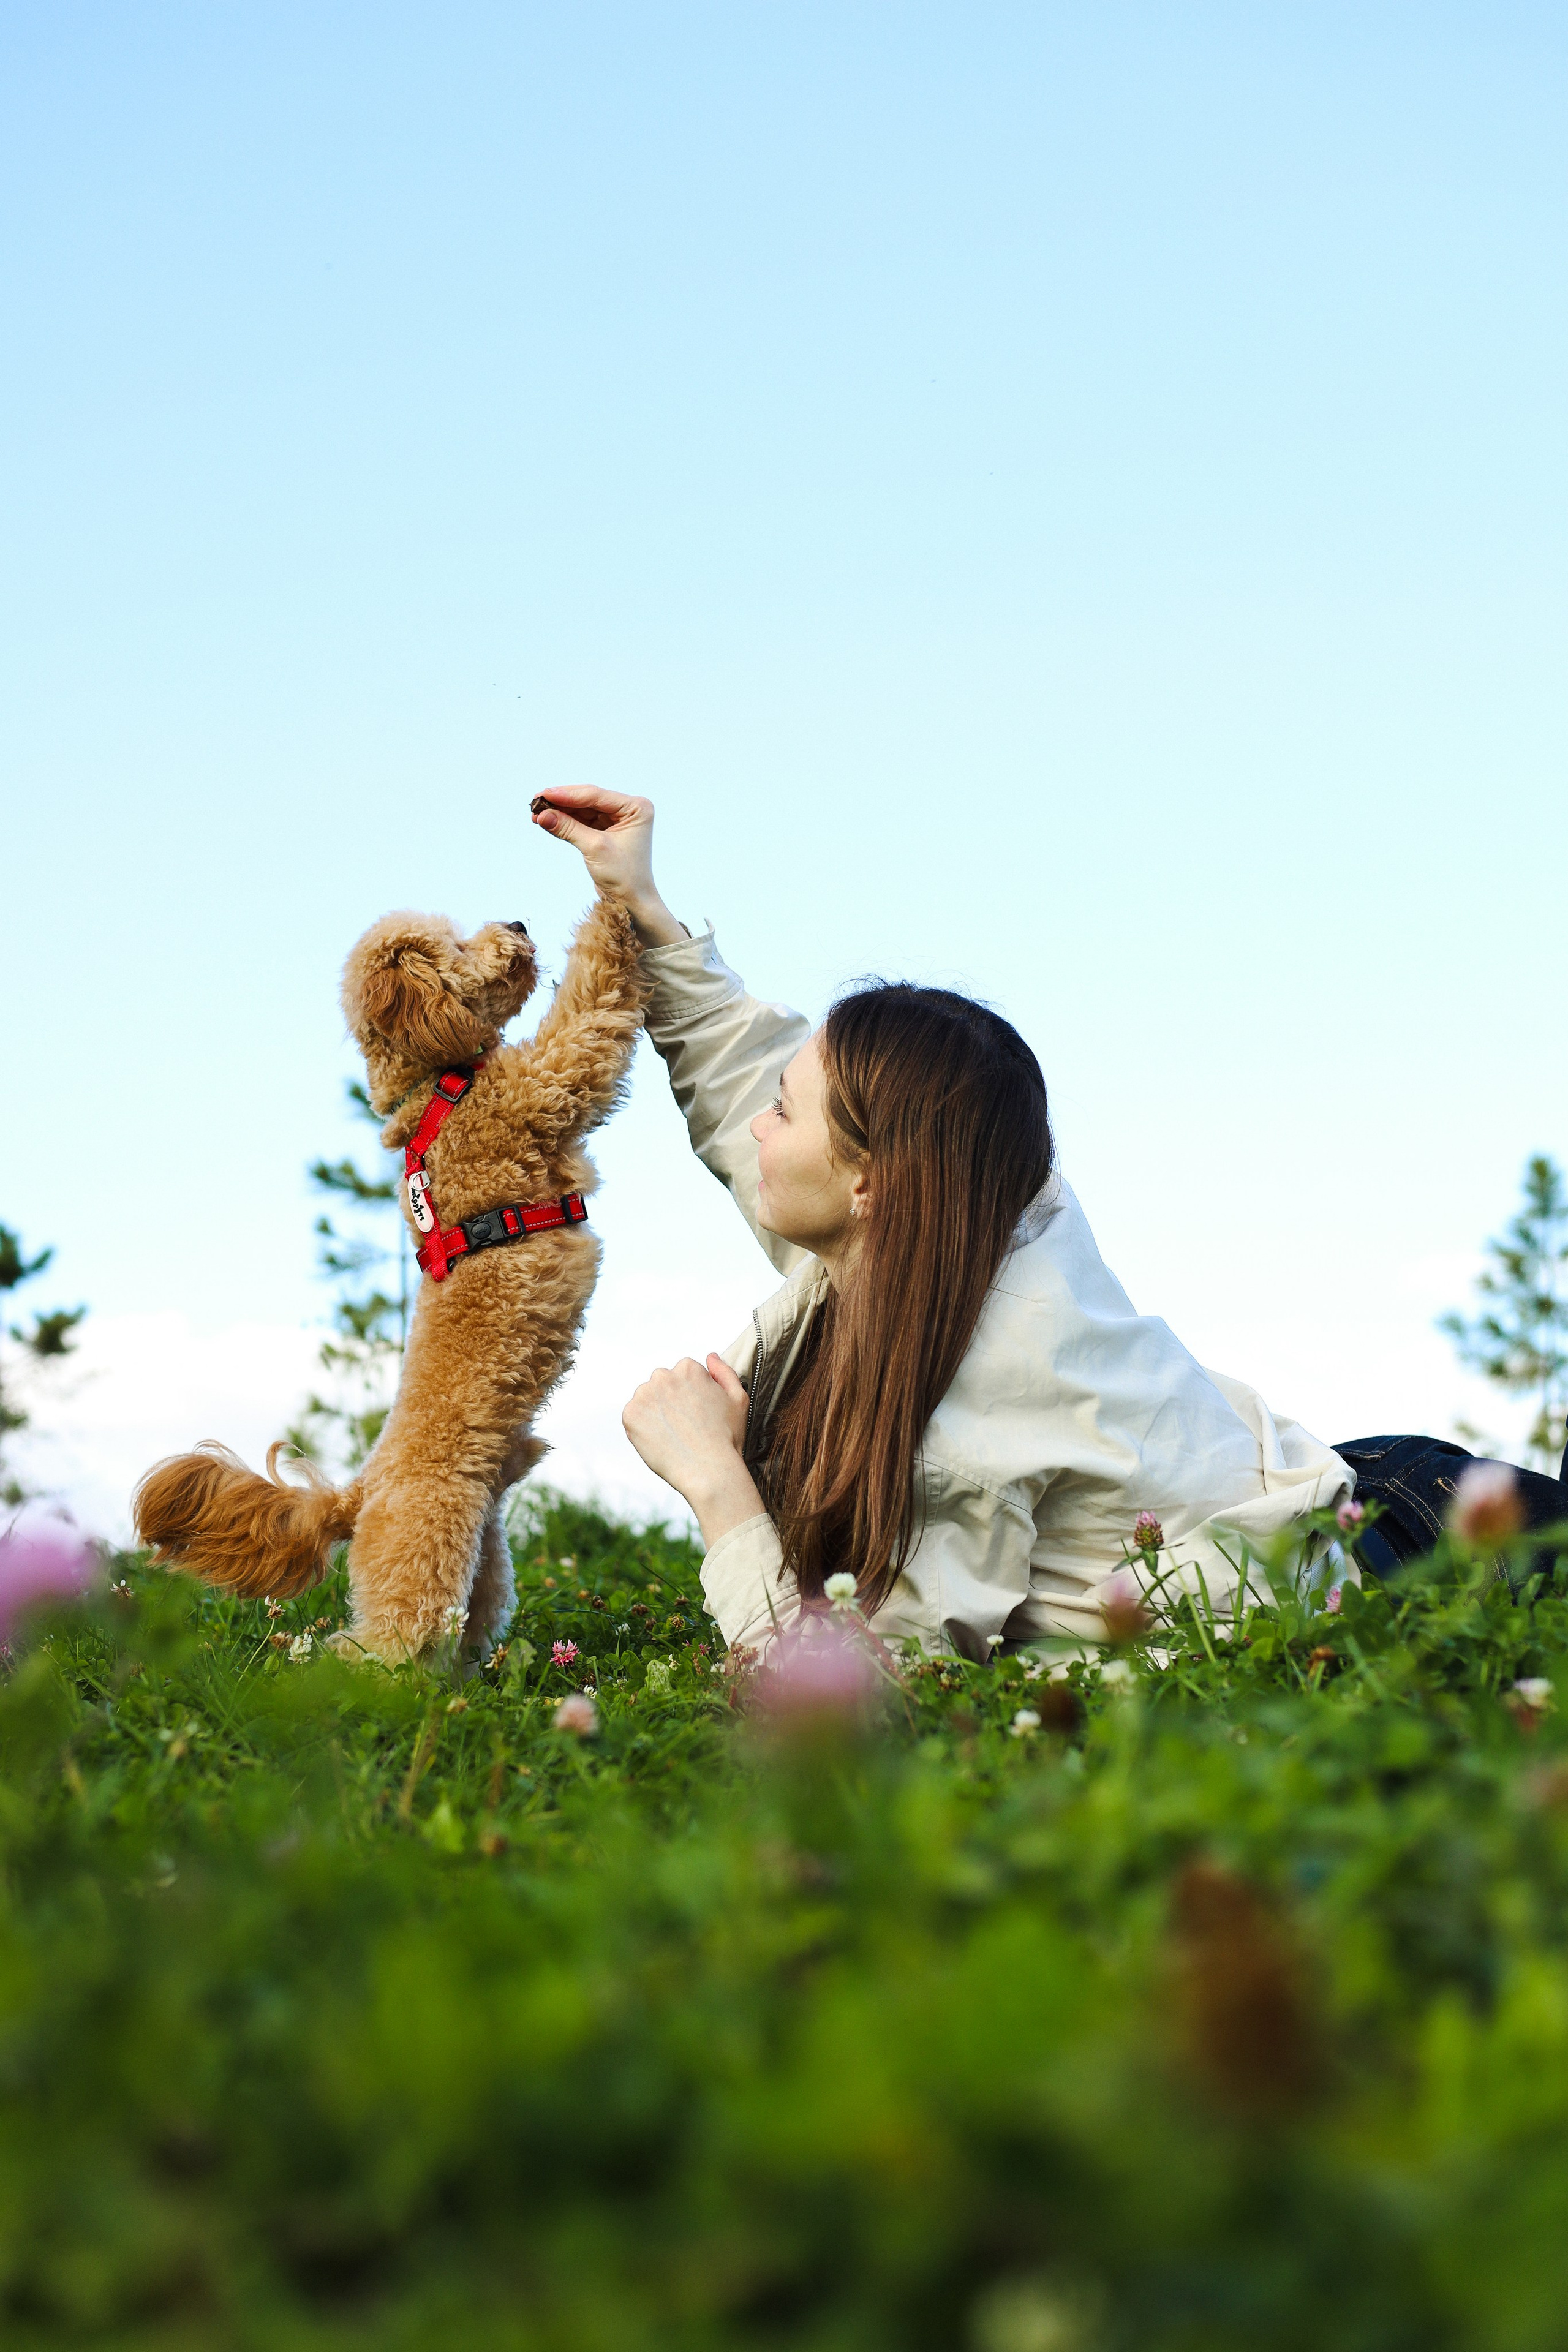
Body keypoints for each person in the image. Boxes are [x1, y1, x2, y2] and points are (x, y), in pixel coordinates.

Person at [531, 787, 1567, 1656]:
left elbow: (858, 1721)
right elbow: (752, 1072)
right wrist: (642, 901)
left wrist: (719, 1489)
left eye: (786, 1112)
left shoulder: (967, 1420)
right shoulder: (958, 1206)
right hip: (1353, 1478)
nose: (759, 1122)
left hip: (1401, 1550)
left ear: (872, 1185)